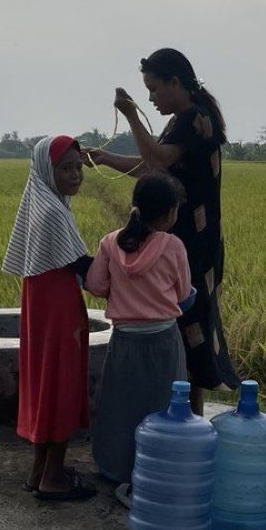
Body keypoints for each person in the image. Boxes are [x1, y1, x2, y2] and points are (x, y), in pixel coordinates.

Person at [84, 47, 239, 415]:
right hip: (192, 237)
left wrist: (130, 115)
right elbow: (151, 166)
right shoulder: (188, 118)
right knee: (187, 324)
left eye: (154, 89)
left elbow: (155, 161)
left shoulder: (192, 118)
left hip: (192, 240)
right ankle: (188, 416)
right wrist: (105, 158)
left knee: (188, 324)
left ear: (175, 82)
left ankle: (188, 417)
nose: (151, 98)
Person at [84, 172, 195, 485]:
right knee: (163, 406)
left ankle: (117, 469)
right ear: (169, 212)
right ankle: (159, 469)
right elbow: (184, 294)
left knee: (121, 408)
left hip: (125, 340)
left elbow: (94, 284)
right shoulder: (173, 245)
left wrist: (120, 290)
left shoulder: (110, 242)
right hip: (163, 339)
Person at [2, 135, 97, 501]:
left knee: (43, 380)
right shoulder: (55, 213)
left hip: (40, 305)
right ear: (47, 169)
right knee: (60, 381)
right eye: (65, 168)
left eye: (78, 167)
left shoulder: (40, 201)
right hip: (58, 308)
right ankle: (54, 477)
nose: (76, 175)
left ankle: (39, 470)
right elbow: (83, 267)